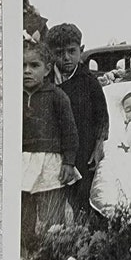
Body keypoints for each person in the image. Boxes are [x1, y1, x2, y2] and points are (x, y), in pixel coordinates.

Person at [21, 37, 79, 260]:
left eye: (34, 66)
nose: (26, 71)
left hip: (50, 163)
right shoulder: (15, 95)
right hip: (23, 162)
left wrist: (68, 162)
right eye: (22, 66)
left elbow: (70, 132)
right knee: (24, 221)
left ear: (47, 68)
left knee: (53, 220)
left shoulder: (57, 96)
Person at [46, 23, 109, 218]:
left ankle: (85, 236)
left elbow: (102, 116)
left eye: (71, 51)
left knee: (82, 200)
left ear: (81, 51)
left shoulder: (88, 81)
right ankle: (59, 236)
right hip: (55, 150)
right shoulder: (46, 81)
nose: (66, 58)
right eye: (59, 52)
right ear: (50, 54)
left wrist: (99, 145)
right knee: (55, 199)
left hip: (84, 150)